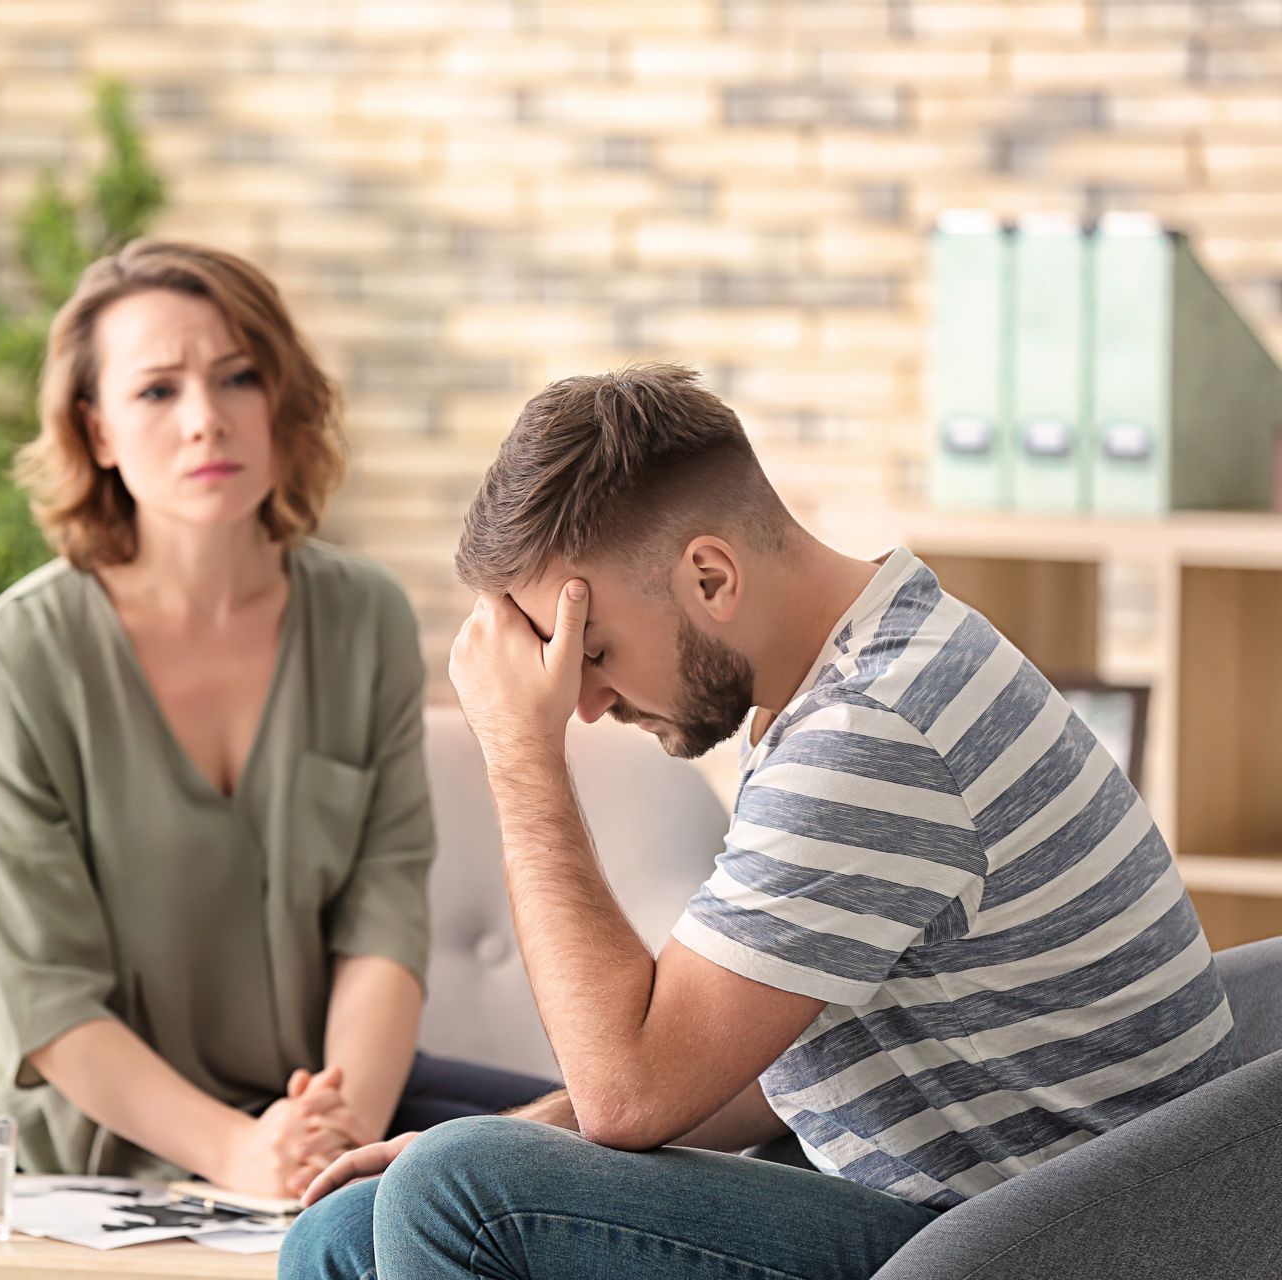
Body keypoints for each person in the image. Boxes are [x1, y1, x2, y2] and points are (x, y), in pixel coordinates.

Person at [283, 363, 1241, 1278]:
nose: (581, 704)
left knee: (456, 1197)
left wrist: (518, 751)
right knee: (343, 1233)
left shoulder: (871, 732)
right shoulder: (860, 670)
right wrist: (534, 1131)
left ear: (710, 577)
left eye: (594, 647)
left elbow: (628, 1093)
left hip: (1041, 1249)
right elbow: (745, 1053)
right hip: (982, 1212)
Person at [0, 240, 552, 1198]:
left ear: (281, 400)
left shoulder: (362, 617)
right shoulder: (26, 651)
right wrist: (239, 1152)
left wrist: (335, 1132)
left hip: (322, 1108)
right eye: (156, 391)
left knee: (600, 1149)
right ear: (96, 429)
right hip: (103, 1146)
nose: (206, 420)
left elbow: (383, 924)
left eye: (238, 377)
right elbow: (45, 995)